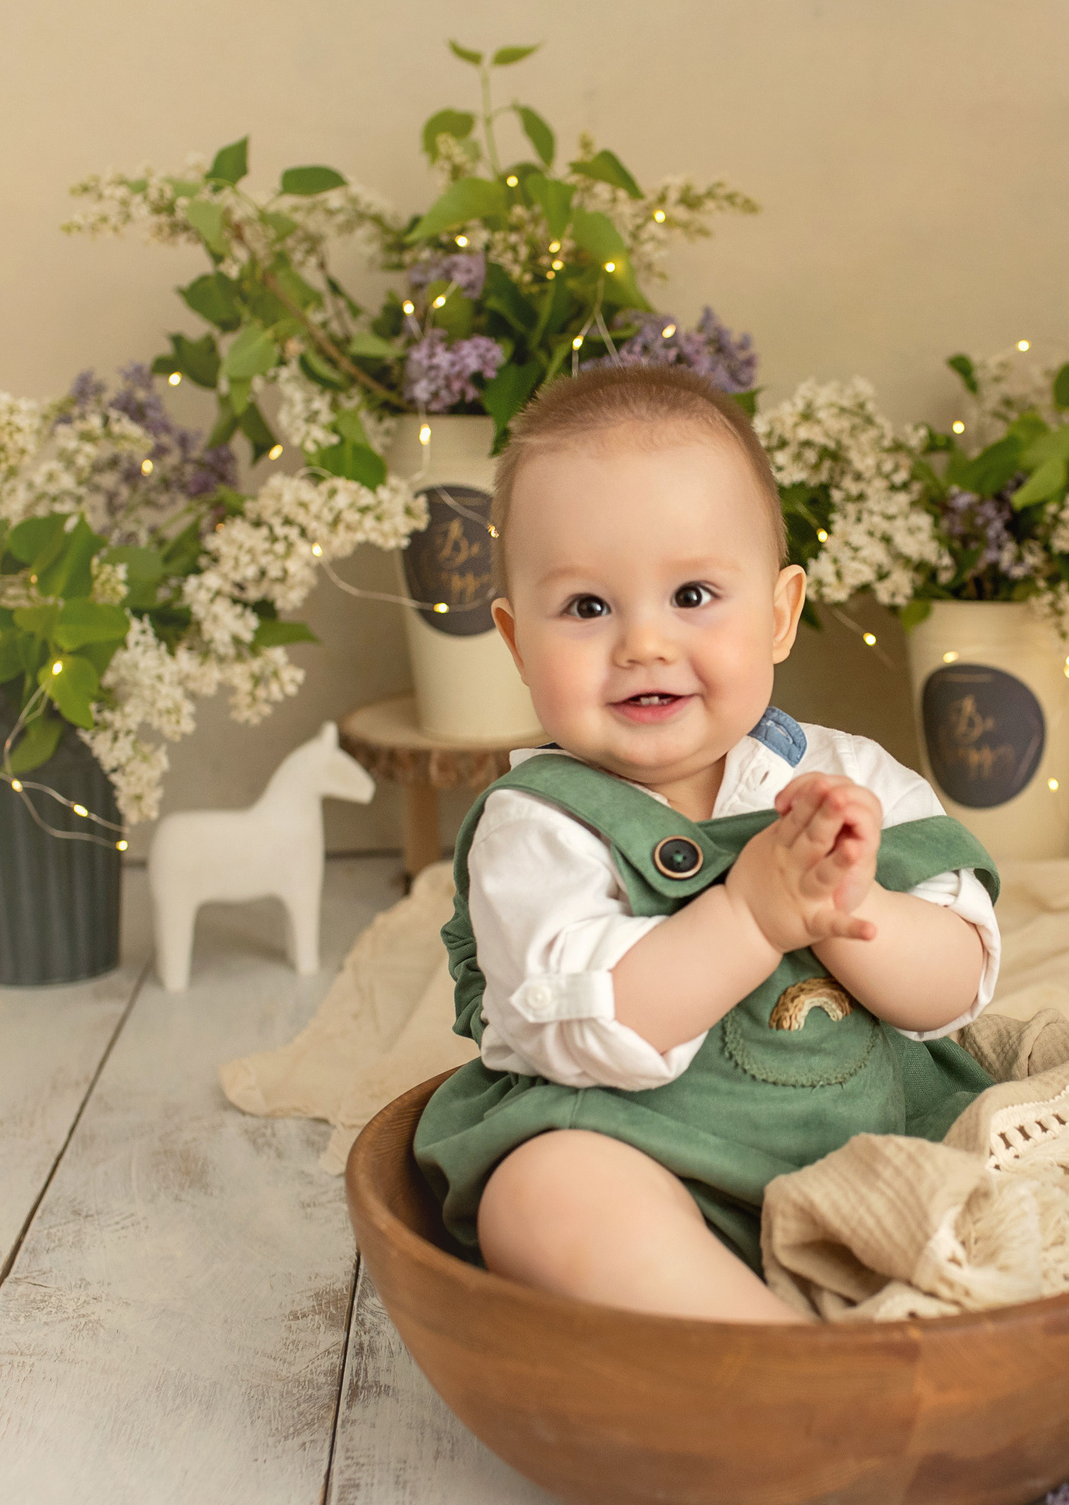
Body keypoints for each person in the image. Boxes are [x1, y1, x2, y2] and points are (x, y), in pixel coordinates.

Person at [413, 364, 1001, 1323]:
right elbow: (582, 1026)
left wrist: (859, 909)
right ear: (517, 644)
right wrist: (749, 914)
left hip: (877, 1160)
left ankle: (907, 1301)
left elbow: (958, 986)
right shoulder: (540, 825)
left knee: (1010, 1146)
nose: (643, 642)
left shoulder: (846, 777)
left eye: (692, 594)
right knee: (541, 1194)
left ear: (777, 614)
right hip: (650, 1174)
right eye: (589, 607)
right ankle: (779, 1357)